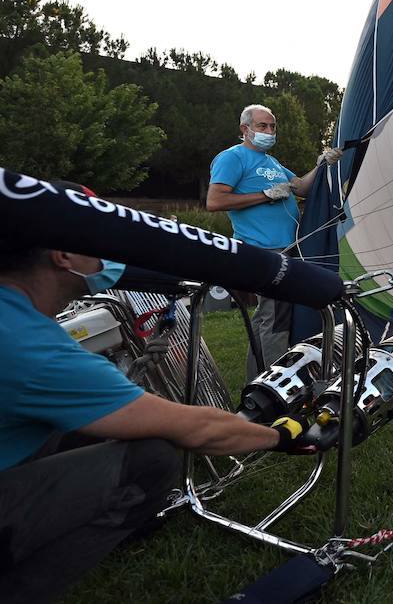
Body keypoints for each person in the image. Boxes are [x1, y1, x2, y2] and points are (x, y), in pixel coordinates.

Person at [0, 225, 312, 603]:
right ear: (63, 255)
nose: (110, 252)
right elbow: (195, 430)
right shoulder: (28, 344)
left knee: (102, 428)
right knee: (153, 461)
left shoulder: (14, 315)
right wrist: (282, 436)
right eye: (99, 238)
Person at [207, 104, 340, 379]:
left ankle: (256, 380)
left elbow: (300, 187)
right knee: (277, 318)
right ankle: (277, 384)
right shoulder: (233, 158)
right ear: (245, 129)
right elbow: (215, 201)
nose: (269, 131)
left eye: (272, 126)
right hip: (262, 250)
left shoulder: (272, 162)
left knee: (266, 318)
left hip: (285, 248)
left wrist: (321, 165)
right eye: (262, 126)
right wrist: (266, 195)